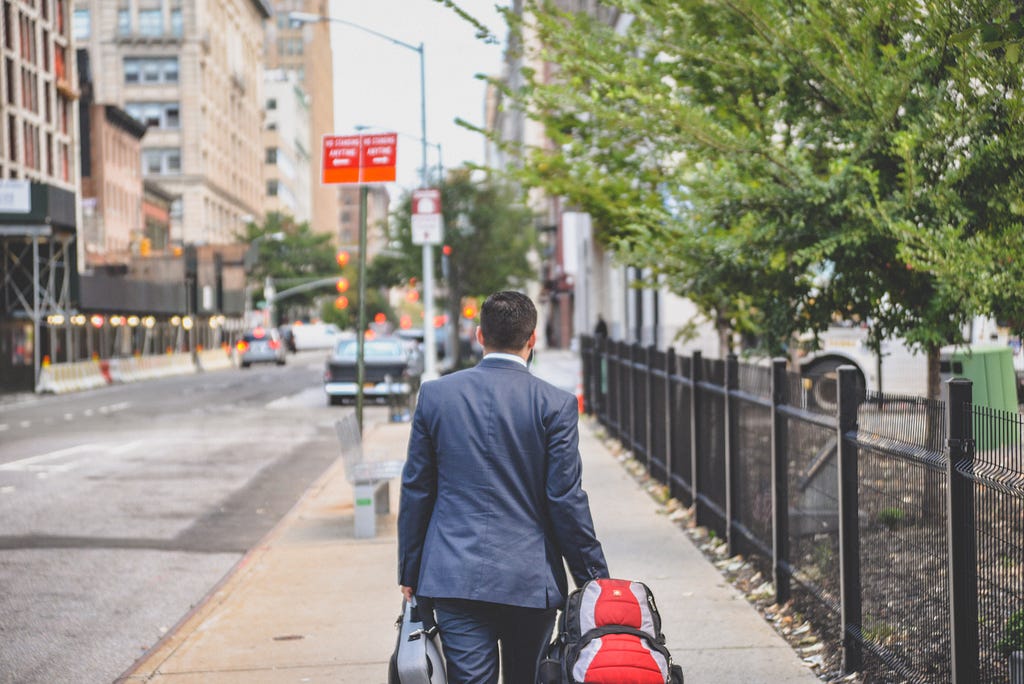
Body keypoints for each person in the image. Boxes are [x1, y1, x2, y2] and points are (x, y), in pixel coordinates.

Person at [398, 290, 609, 683]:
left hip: (454, 574)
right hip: (529, 579)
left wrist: (410, 569)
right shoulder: (556, 404)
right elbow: (565, 500)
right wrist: (594, 578)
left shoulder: (436, 396)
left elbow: (417, 488)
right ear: (532, 340)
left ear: (480, 336)